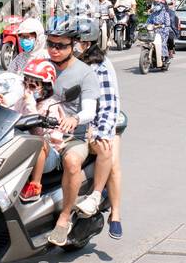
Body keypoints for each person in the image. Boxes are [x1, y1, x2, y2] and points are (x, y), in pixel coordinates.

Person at [42, 19, 102, 246]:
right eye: (51, 44)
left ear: (74, 45)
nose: (54, 50)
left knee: (72, 163)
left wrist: (74, 119)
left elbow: (89, 109)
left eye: (61, 46)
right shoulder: (41, 64)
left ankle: (64, 218)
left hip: (72, 135)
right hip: (38, 128)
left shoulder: (85, 73)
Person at [73, 31, 123, 239]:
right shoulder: (66, 61)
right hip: (76, 123)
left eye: (75, 42)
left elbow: (109, 104)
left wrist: (99, 130)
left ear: (86, 43)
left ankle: (116, 213)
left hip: (106, 121)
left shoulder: (100, 65)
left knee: (111, 159)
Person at [13, 59, 67, 205]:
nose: (28, 89)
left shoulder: (51, 105)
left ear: (46, 87)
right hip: (24, 148)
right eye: (26, 84)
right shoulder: (23, 100)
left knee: (39, 142)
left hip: (49, 155)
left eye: (33, 85)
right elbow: (11, 115)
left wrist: (30, 103)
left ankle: (34, 186)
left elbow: (39, 131)